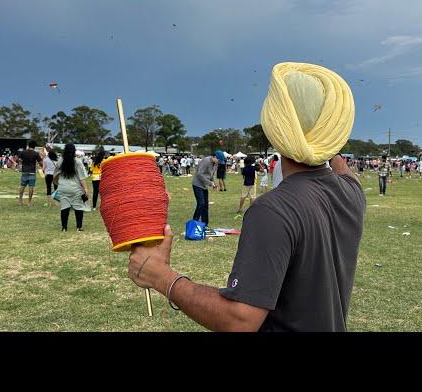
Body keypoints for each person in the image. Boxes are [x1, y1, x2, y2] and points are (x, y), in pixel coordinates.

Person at [127, 61, 364, 331]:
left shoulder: (273, 211)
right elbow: (344, 169)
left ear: (275, 124)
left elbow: (240, 319)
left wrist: (162, 277)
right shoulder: (352, 192)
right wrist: (321, 141)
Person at [53, 143, 89, 232]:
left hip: (62, 187)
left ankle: (64, 228)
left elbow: (55, 174)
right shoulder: (78, 161)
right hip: (75, 188)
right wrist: (86, 189)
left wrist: (56, 183)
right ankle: (78, 227)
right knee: (78, 207)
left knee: (64, 207)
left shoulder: (60, 160)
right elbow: (81, 178)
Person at [191, 155, 219, 229]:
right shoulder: (206, 161)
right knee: (201, 203)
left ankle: (205, 224)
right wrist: (210, 183)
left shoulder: (215, 164)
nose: (218, 161)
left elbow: (211, 175)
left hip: (204, 186)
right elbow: (199, 174)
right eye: (217, 159)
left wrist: (214, 183)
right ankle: (194, 222)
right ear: (214, 157)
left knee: (205, 205)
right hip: (197, 184)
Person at [15, 140, 43, 207]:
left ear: (28, 146)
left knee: (22, 186)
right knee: (31, 187)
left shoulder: (23, 152)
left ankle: (20, 201)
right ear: (34, 146)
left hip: (24, 171)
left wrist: (20, 162)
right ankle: (29, 202)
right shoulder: (36, 153)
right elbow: (41, 163)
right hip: (32, 172)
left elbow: (16, 159)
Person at [89, 146, 105, 210]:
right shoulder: (103, 161)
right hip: (101, 177)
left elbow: (91, 170)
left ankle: (94, 207)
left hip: (94, 177)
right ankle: (102, 205)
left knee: (95, 192)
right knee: (101, 192)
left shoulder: (94, 161)